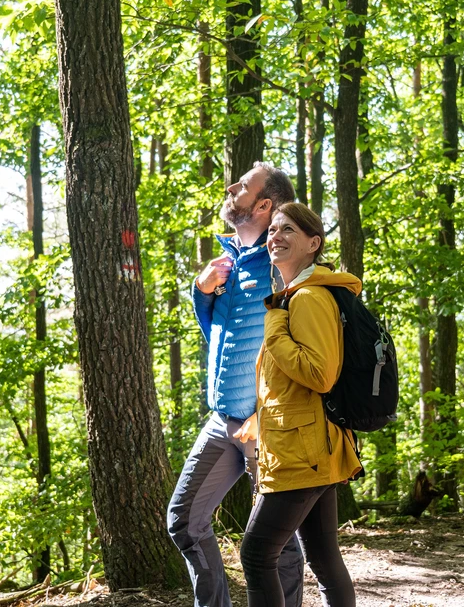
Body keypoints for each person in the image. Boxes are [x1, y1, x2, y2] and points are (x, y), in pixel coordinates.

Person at [167, 163, 304, 607]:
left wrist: (270, 413)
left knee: (277, 542)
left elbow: (306, 344)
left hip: (265, 425)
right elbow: (221, 340)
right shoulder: (229, 260)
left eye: (242, 186)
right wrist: (202, 292)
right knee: (184, 521)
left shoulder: (282, 263)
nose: (230, 188)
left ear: (263, 205)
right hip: (222, 417)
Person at [235, 202, 360, 607]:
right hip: (308, 446)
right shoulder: (295, 297)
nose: (276, 236)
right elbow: (292, 382)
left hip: (302, 452)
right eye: (272, 230)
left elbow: (319, 374)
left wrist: (274, 325)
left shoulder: (307, 298)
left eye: (288, 229)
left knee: (256, 555)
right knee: (323, 556)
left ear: (313, 243)